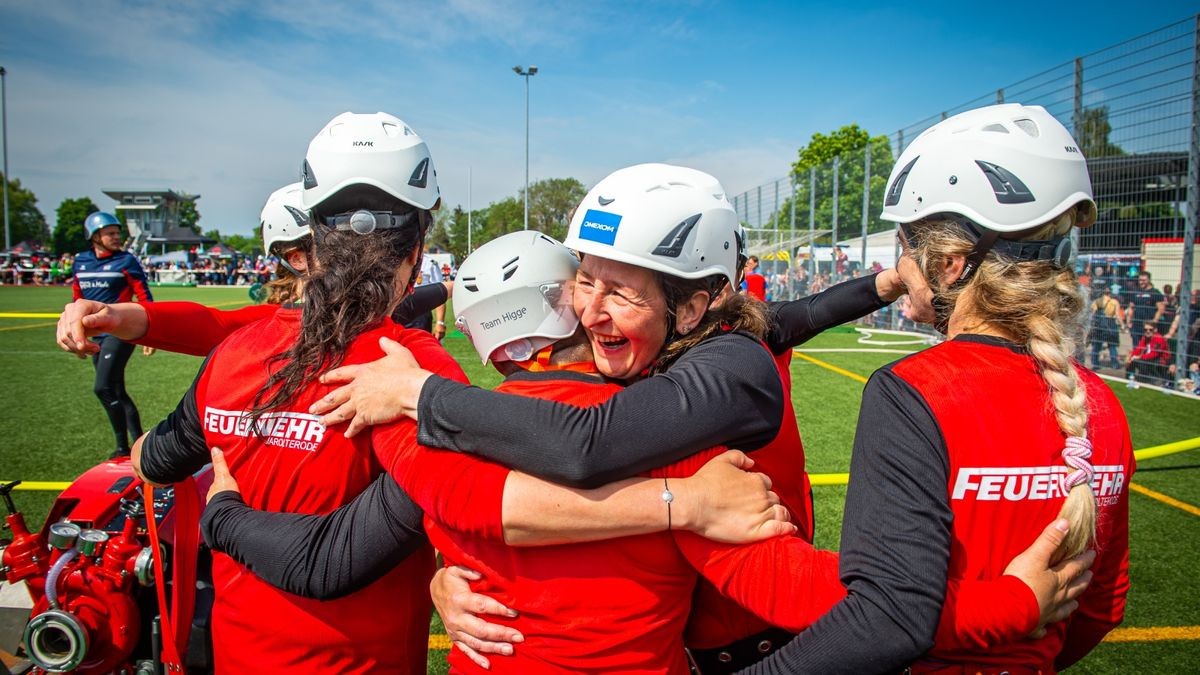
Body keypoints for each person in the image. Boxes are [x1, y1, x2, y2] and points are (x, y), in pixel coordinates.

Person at [201, 224, 1085, 674]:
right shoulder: (675, 447)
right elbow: (834, 600)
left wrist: (225, 513)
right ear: (568, 299)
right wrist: (1004, 603)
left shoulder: (433, 435)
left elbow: (328, 559)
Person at [744, 103, 1132, 673]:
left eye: (906, 245)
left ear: (949, 263)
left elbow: (884, 617)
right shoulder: (1103, 404)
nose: (900, 265)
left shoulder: (916, 392)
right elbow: (1100, 608)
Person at [72, 211, 155, 459]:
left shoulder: (127, 261)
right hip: (96, 336)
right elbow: (77, 299)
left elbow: (144, 297)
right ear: (94, 236)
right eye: (110, 233)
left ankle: (122, 447)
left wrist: (149, 335)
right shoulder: (81, 262)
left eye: (117, 233)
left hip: (120, 332)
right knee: (116, 390)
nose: (116, 237)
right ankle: (136, 443)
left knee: (102, 387)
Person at [405, 244, 449, 340]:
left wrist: (440, 322)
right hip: (396, 313)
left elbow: (439, 294)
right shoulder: (395, 260)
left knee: (418, 351)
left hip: (420, 316)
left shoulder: (429, 264)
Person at [1125, 270, 1164, 348]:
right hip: (1136, 325)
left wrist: (1154, 322)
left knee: (1148, 347)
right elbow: (1131, 307)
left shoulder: (1155, 292)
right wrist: (1128, 322)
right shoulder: (1136, 292)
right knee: (1136, 347)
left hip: (1148, 327)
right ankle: (1136, 360)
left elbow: (1161, 309)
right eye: (1139, 280)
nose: (1141, 282)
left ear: (1149, 280)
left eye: (1143, 280)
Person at [1089, 282, 1122, 368]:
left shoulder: (1097, 301)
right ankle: (1114, 364)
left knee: (1096, 345)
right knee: (1112, 345)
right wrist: (1122, 325)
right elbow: (1117, 315)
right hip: (1111, 323)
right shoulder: (1114, 302)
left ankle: (1095, 364)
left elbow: (1092, 313)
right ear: (1110, 292)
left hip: (1099, 324)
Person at [1125, 321, 1170, 386]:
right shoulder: (1145, 337)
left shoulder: (1159, 338)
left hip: (1160, 362)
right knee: (1131, 360)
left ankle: (1148, 380)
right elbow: (1138, 349)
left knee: (1139, 361)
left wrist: (1139, 357)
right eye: (1145, 329)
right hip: (1149, 359)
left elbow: (1154, 354)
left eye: (1150, 330)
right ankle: (1130, 380)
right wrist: (1130, 356)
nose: (1148, 331)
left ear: (1155, 330)